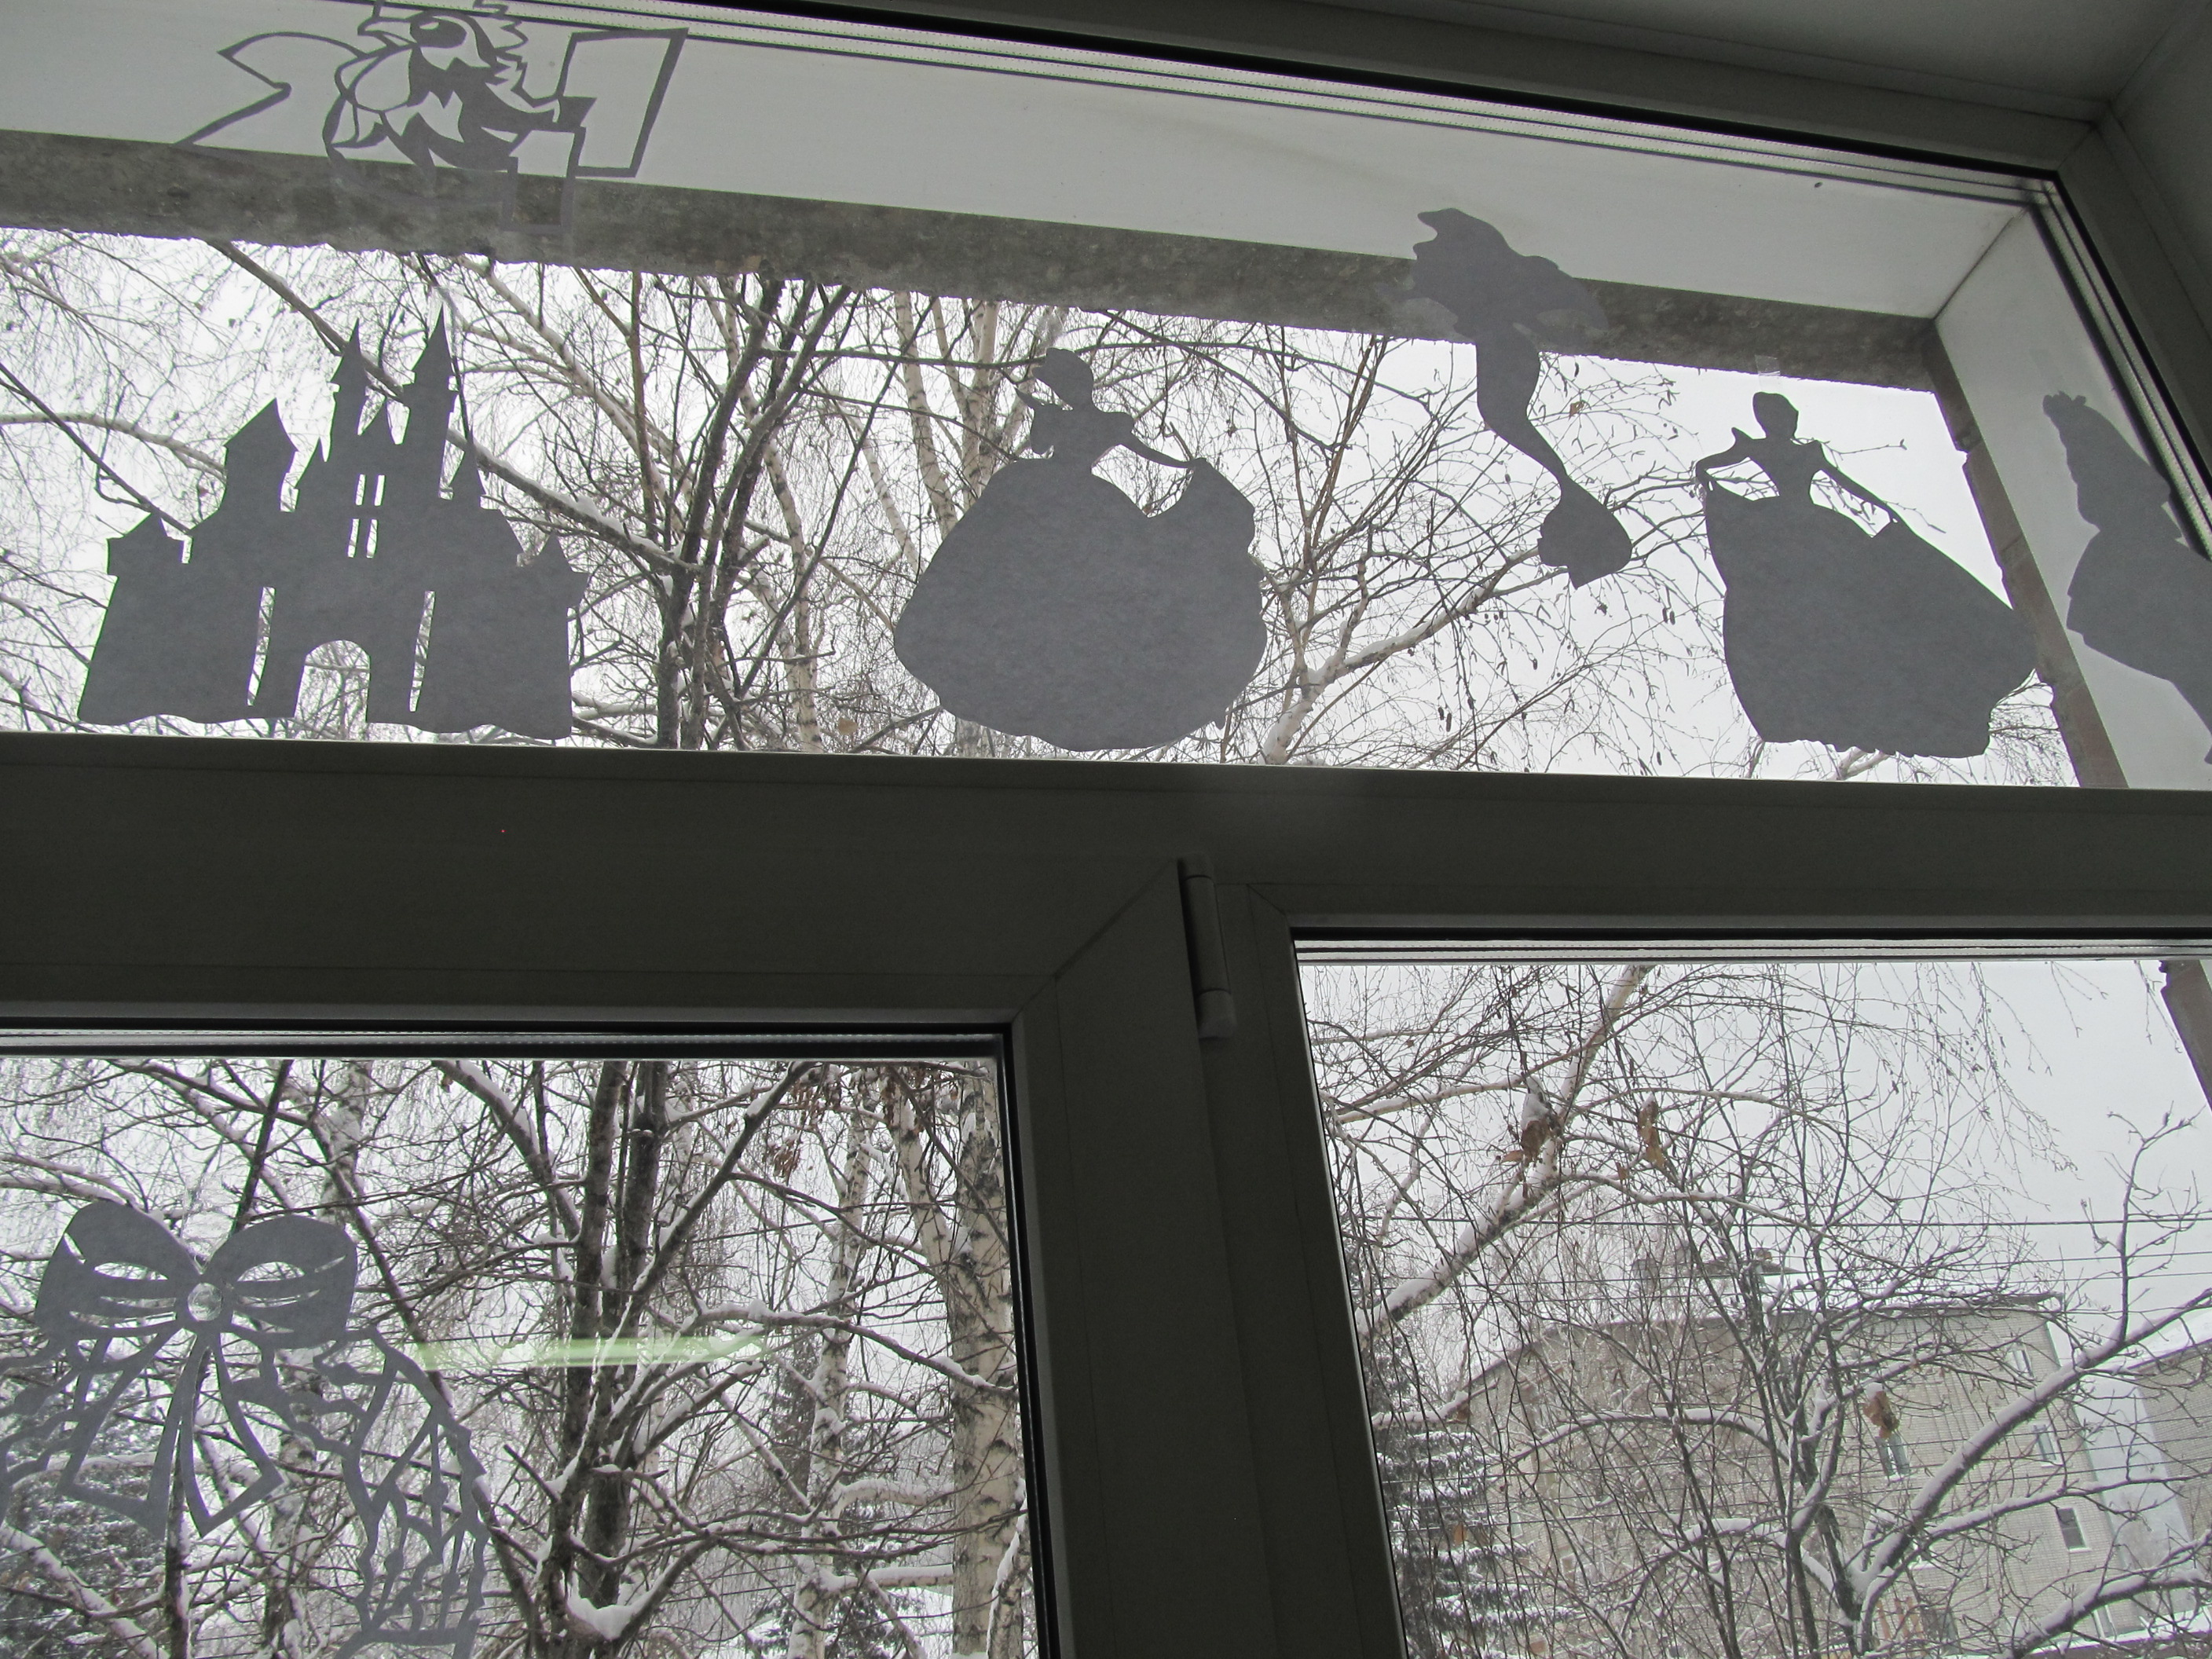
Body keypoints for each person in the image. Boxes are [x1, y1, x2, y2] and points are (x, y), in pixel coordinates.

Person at [894, 352, 1263, 752]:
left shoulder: (1076, 483)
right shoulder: (1038, 486)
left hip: (1067, 592)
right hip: (1048, 593)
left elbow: (1149, 466)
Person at [1696, 393, 2033, 758]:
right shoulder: (1756, 448)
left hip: (1817, 532)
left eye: (1791, 416)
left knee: (1858, 599)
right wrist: (1706, 478)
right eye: (1785, 415)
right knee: (1820, 604)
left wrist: (1885, 511)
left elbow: (1845, 483)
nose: (1790, 421)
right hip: (1791, 531)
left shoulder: (1808, 452)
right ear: (1772, 418)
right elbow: (1716, 463)